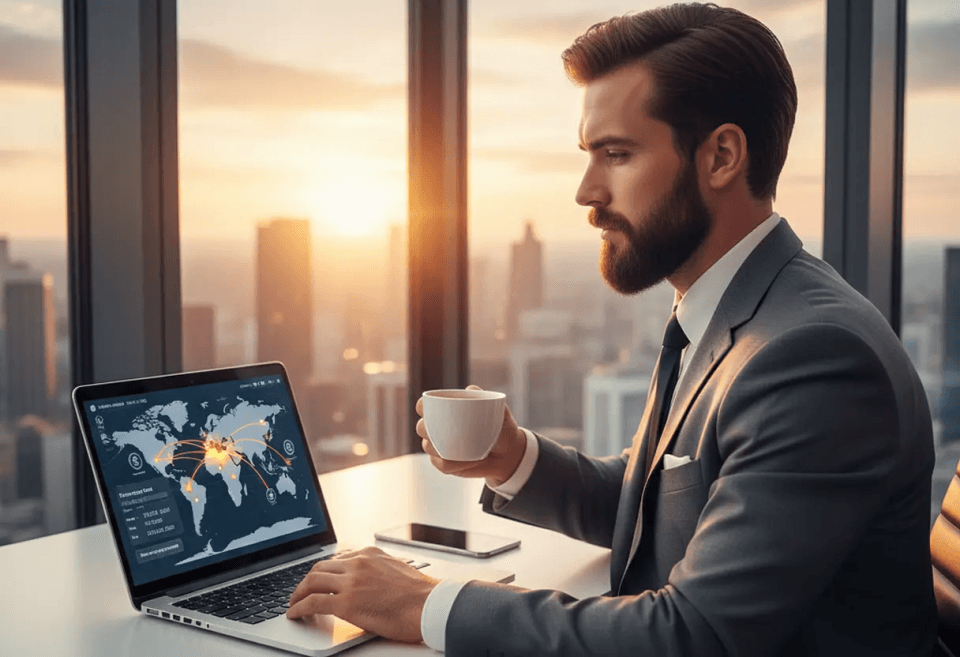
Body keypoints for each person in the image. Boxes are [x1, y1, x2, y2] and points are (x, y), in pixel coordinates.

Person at [286, 3, 938, 654]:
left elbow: (694, 638)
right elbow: (659, 503)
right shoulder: (735, 308)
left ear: (721, 157)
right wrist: (516, 459)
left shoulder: (813, 358)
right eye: (589, 155)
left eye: (616, 154)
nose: (586, 191)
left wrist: (426, 603)